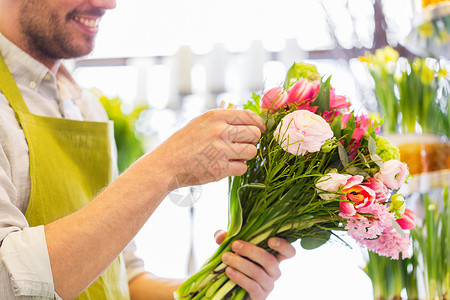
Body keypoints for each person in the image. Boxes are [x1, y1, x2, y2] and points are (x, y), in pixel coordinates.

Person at [0, 0, 296, 299]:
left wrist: (219, 283)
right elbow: (6, 280)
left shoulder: (87, 108)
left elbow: (121, 277)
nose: (108, 4)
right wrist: (165, 165)